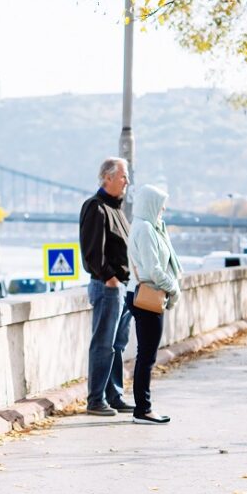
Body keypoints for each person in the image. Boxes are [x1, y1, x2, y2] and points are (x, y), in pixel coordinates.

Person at [79, 157, 133, 416]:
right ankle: (96, 399)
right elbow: (92, 253)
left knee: (117, 344)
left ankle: (114, 395)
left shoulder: (118, 211)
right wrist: (110, 279)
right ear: (107, 178)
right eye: (123, 176)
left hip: (121, 286)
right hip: (107, 287)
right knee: (103, 343)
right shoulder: (95, 207)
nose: (127, 182)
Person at [126, 184, 181, 424]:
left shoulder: (145, 226)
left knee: (145, 355)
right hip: (148, 295)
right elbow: (153, 269)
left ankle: (143, 407)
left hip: (139, 293)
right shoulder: (146, 229)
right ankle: (143, 409)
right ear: (150, 204)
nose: (163, 210)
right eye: (160, 206)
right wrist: (173, 287)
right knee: (147, 356)